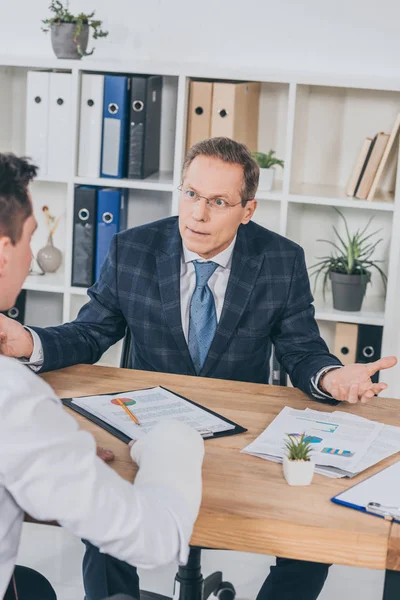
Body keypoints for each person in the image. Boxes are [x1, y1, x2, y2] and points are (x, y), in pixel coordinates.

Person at [0, 138, 396, 600]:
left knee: (310, 542)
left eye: (218, 202)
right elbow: (91, 332)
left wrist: (331, 377)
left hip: (242, 435)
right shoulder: (134, 249)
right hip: (147, 425)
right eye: (190, 194)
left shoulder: (279, 259)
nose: (197, 214)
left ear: (247, 210)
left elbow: (301, 350)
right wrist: (28, 341)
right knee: (105, 535)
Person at [0, 153, 204, 600]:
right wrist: (175, 440)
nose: (34, 254)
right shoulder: (11, 397)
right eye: (31, 236)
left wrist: (53, 448)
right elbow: (157, 539)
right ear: (3, 252)